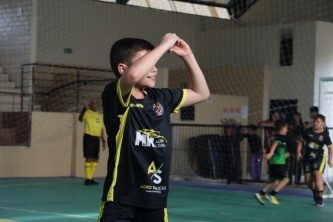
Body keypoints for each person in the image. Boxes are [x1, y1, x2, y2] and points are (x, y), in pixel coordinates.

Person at [98, 33, 210, 221]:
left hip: (155, 202)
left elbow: (202, 93)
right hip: (121, 202)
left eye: (155, 64)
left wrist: (187, 56)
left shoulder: (162, 98)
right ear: (122, 69)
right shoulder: (115, 95)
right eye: (147, 63)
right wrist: (164, 45)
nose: (154, 69)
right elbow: (133, 75)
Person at [297, 114, 333, 207]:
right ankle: (316, 191)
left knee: (317, 174)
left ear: (322, 123)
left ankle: (320, 200)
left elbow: (330, 148)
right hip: (307, 158)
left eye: (318, 122)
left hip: (319, 157)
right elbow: (301, 141)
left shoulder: (325, 135)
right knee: (308, 181)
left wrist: (330, 160)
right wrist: (298, 152)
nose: (315, 123)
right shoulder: (307, 131)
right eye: (314, 121)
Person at [255, 120, 290, 205]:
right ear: (282, 128)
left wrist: (285, 155)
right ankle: (272, 195)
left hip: (274, 161)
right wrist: (270, 153)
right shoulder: (280, 137)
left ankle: (260, 194)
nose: (287, 130)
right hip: (278, 163)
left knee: (275, 181)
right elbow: (275, 144)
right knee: (285, 180)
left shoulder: (277, 136)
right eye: (286, 128)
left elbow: (279, 149)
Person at [78, 99, 106, 185]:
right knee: (88, 158)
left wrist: (103, 141)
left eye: (96, 104)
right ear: (90, 105)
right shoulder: (87, 112)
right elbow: (80, 119)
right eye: (93, 103)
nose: (95, 105)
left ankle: (90, 178)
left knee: (95, 158)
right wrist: (83, 109)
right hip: (88, 137)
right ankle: (87, 179)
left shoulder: (99, 116)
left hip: (96, 139)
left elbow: (101, 129)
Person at [286, 112, 304, 185]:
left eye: (297, 116)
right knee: (291, 165)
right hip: (292, 147)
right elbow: (289, 135)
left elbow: (302, 137)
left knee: (298, 164)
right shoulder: (291, 126)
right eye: (294, 116)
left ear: (299, 117)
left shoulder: (302, 126)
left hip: (299, 147)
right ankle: (290, 180)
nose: (295, 118)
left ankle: (297, 180)